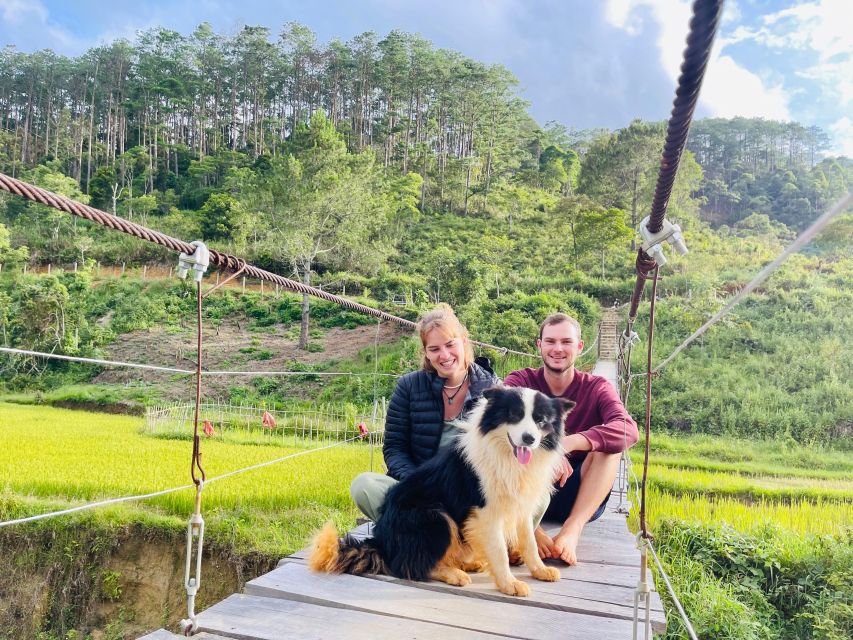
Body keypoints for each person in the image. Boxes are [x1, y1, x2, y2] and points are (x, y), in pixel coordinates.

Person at [504, 312, 638, 565]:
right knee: (505, 443)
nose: (558, 349)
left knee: (609, 448)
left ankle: (572, 530)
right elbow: (498, 423)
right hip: (526, 491)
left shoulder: (597, 387)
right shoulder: (521, 381)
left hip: (577, 493)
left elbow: (627, 429)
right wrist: (548, 454)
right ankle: (530, 529)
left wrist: (570, 443)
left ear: (579, 347)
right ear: (539, 345)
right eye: (551, 341)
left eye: (566, 342)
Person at [350, 303, 501, 521]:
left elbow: (502, 452)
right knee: (364, 485)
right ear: (426, 353)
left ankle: (445, 537)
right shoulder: (409, 386)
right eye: (435, 349)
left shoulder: (493, 389)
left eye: (450, 345)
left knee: (538, 500)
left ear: (464, 342)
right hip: (421, 491)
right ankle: (435, 533)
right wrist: (420, 485)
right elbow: (394, 448)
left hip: (471, 497)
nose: (445, 355)